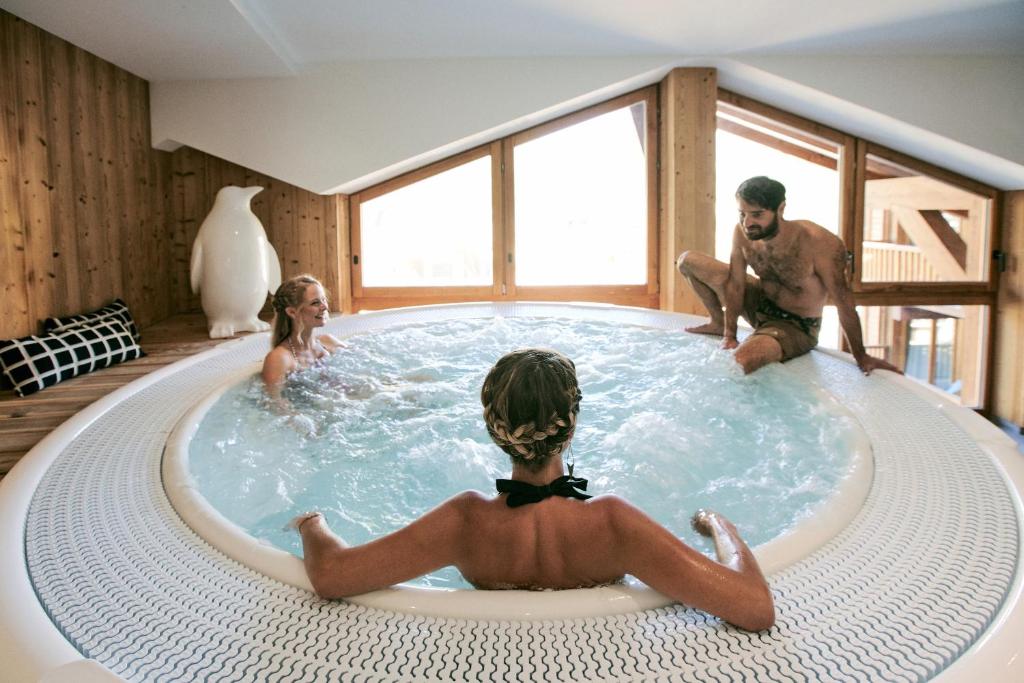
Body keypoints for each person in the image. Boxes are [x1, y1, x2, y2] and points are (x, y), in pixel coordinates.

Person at [290, 348, 775, 631]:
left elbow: (331, 576)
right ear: (573, 422)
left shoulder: (463, 522)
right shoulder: (612, 522)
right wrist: (719, 525)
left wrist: (312, 523)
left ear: (493, 427)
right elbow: (753, 606)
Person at [676, 176, 902, 376]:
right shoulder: (743, 232)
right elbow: (736, 285)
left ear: (780, 209)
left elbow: (844, 303)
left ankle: (765, 339)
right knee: (688, 261)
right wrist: (729, 334)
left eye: (757, 215)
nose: (748, 223)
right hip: (760, 304)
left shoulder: (819, 243)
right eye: (742, 213)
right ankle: (716, 323)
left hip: (795, 325)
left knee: (737, 365)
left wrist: (861, 355)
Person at [261, 274, 344, 398]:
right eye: (315, 303)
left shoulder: (328, 342)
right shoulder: (279, 358)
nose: (325, 307)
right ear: (292, 312)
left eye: (324, 299)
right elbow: (275, 404)